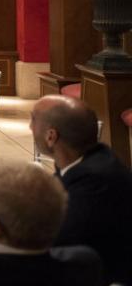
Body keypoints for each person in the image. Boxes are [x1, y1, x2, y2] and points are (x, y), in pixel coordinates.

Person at [31, 96, 132, 285]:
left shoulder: (96, 180)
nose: (30, 127)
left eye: (33, 119)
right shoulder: (88, 158)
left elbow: (53, 242)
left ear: (51, 136)